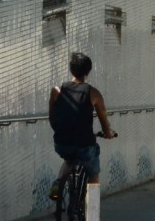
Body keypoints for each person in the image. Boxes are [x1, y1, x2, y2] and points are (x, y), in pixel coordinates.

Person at [48, 52, 115, 199]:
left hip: (61, 143)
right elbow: (104, 123)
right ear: (87, 72)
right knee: (93, 170)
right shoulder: (94, 94)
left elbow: (52, 118)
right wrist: (108, 133)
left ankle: (58, 184)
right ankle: (91, 209)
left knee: (70, 160)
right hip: (84, 144)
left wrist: (63, 132)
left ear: (71, 69)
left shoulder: (57, 91)